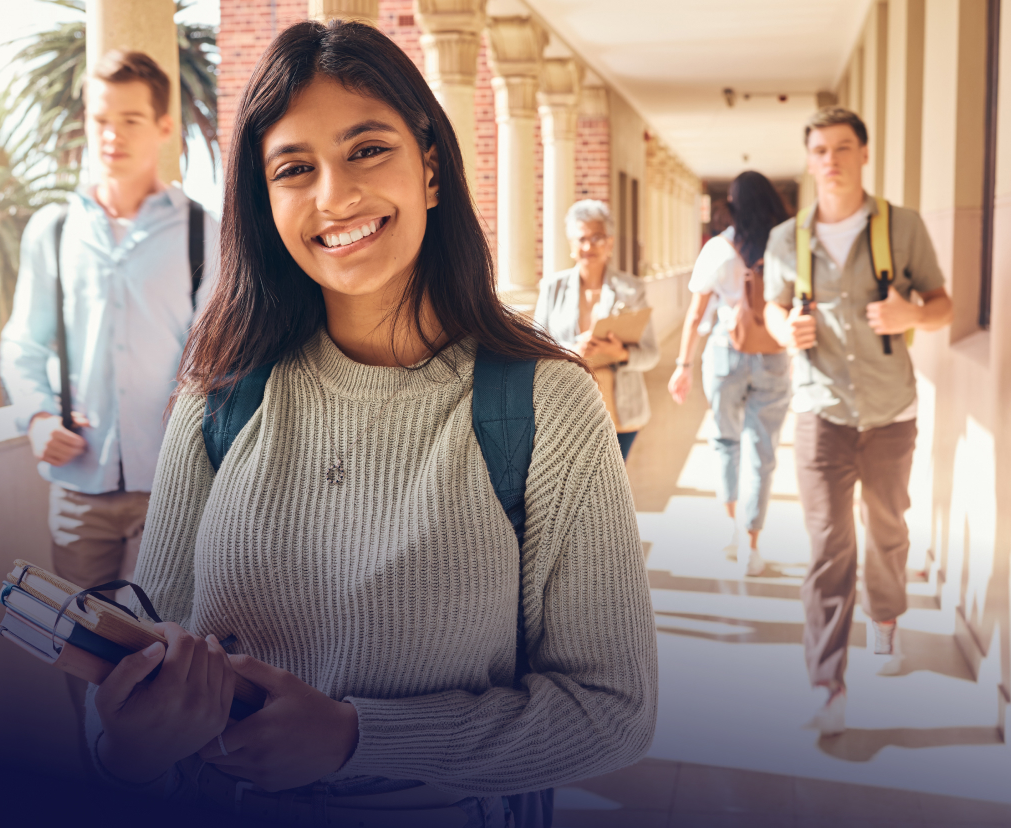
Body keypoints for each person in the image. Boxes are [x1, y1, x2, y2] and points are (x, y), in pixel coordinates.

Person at [82, 20, 657, 826]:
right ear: (265, 201)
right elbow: (149, 651)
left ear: (430, 169)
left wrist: (360, 738)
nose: (335, 197)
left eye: (367, 150)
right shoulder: (218, 400)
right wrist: (124, 749)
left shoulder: (543, 406)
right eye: (294, 169)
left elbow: (613, 709)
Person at [0, 50, 217, 760]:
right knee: (77, 644)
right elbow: (23, 345)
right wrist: (37, 419)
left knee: (166, 643)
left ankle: (165, 780)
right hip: (78, 490)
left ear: (163, 127)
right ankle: (101, 780)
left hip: (176, 487)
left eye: (129, 119)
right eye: (100, 120)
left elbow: (220, 356)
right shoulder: (53, 233)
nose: (112, 135)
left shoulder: (201, 233)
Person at [763, 107, 953, 735]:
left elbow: (943, 303)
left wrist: (912, 317)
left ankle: (888, 617)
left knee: (888, 527)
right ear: (810, 160)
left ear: (864, 155)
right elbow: (772, 306)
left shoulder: (902, 227)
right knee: (829, 546)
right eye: (820, 150)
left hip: (891, 411)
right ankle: (828, 684)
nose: (832, 161)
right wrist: (782, 328)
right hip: (822, 412)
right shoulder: (788, 239)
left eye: (843, 148)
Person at [667, 171, 791, 578]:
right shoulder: (783, 246)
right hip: (773, 354)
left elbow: (695, 315)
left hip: (724, 354)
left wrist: (683, 365)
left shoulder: (718, 249)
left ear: (733, 205)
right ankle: (751, 545)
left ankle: (731, 528)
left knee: (725, 441)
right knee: (763, 451)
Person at [534, 200, 659, 462]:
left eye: (597, 238)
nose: (589, 246)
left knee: (613, 488)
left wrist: (620, 353)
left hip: (620, 408)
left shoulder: (632, 289)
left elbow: (651, 355)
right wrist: (571, 351)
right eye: (581, 239)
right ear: (571, 244)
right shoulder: (552, 288)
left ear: (610, 243)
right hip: (566, 408)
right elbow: (535, 348)